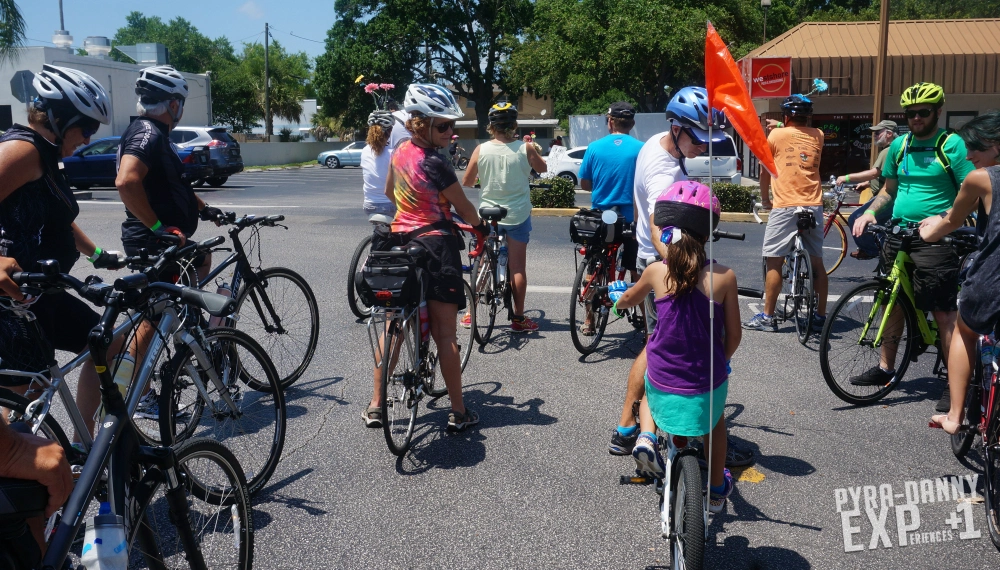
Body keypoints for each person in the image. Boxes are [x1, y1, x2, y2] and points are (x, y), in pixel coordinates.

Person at [610, 87, 754, 470]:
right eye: (697, 138)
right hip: (669, 264)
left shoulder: (659, 147)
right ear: (675, 128)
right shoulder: (661, 167)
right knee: (663, 345)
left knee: (657, 343)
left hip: (661, 263)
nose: (703, 148)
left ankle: (629, 426)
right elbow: (663, 224)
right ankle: (637, 425)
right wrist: (685, 263)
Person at [0, 65, 123, 440]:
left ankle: (84, 441)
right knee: (19, 402)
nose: (88, 139)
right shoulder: (23, 150)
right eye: (86, 129)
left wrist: (97, 253)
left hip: (43, 294)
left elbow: (58, 220)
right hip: (14, 302)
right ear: (59, 119)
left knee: (105, 342)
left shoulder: (48, 155)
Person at [609, 181, 740, 513]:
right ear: (707, 233)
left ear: (666, 231)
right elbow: (735, 335)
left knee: (651, 385)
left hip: (665, 377)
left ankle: (645, 437)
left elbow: (627, 300)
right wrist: (720, 360)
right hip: (705, 381)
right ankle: (715, 488)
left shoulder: (655, 272)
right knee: (715, 421)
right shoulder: (724, 276)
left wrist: (615, 303)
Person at [366, 83, 488, 430]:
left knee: (392, 326)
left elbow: (390, 192)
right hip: (436, 247)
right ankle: (459, 412)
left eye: (453, 126)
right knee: (445, 334)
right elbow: (464, 208)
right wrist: (481, 228)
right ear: (420, 123)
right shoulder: (436, 162)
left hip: (399, 244)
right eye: (444, 126)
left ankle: (376, 405)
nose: (451, 133)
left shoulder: (400, 150)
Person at [115, 65, 222, 419]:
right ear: (173, 104)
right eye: (181, 103)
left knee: (201, 258)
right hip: (151, 242)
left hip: (167, 242)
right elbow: (127, 181)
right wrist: (159, 226)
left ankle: (184, 331)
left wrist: (207, 210)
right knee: (149, 320)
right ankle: (139, 396)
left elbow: (174, 186)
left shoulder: (156, 134)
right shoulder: (146, 132)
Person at [852, 82, 975, 387]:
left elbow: (969, 193)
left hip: (936, 237)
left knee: (943, 312)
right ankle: (885, 367)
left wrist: (944, 217)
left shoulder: (952, 146)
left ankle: (955, 384)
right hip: (899, 232)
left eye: (923, 112)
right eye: (910, 113)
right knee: (890, 301)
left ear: (938, 112)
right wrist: (870, 212)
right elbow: (888, 190)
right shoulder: (900, 145)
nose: (916, 118)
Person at [917, 111, 1000, 433]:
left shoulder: (982, 178)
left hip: (991, 280)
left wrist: (929, 232)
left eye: (975, 147)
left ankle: (954, 416)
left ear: (995, 144)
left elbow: (952, 220)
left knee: (964, 333)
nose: (969, 155)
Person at [743, 94, 829, 333]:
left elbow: (765, 171)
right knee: (817, 263)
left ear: (786, 116)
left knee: (775, 260)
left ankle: (768, 317)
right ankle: (821, 317)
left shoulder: (775, 135)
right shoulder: (819, 135)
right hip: (813, 204)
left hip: (786, 205)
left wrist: (765, 198)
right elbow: (798, 135)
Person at [462, 102, 547, 332]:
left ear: (491, 126)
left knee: (483, 264)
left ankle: (471, 312)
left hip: (489, 215)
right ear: (514, 124)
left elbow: (467, 181)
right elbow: (543, 168)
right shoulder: (525, 148)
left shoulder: (481, 149)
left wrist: (486, 180)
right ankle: (518, 319)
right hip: (518, 215)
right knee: (517, 268)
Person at [577, 101, 643, 335]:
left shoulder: (594, 147)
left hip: (602, 217)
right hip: (630, 217)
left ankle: (588, 321)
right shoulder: (641, 148)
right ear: (632, 124)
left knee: (594, 264)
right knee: (637, 267)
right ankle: (646, 324)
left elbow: (584, 183)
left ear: (610, 121)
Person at [839, 120, 899, 260]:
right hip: (890, 196)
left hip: (889, 198)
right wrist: (867, 184)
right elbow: (885, 175)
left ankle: (872, 250)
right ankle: (885, 254)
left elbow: (874, 173)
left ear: (889, 134)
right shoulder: (892, 149)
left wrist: (846, 177)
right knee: (881, 229)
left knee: (857, 218)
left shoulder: (888, 151)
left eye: (878, 132)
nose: (875, 136)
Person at [361, 110, 397, 218]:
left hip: (369, 205)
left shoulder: (365, 151)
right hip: (389, 205)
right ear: (390, 131)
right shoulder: (393, 153)